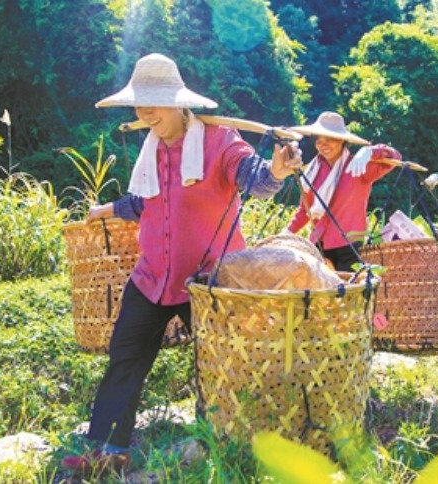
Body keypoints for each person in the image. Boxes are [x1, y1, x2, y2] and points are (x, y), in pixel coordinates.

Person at [60, 53, 301, 473]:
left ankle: (237, 441)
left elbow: (253, 178)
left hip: (208, 281)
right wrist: (107, 210)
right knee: (125, 356)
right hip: (152, 276)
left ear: (179, 102)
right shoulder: (150, 148)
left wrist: (277, 171)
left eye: (154, 102)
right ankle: (107, 450)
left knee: (224, 365)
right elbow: (146, 202)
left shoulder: (221, 141)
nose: (145, 112)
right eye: (140, 103)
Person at [283, 111, 401, 271]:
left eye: (330, 140)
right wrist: (287, 232)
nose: (323, 145)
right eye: (319, 140)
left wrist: (371, 151)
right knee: (320, 294)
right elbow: (305, 210)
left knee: (349, 292)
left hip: (350, 245)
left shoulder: (358, 166)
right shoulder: (313, 172)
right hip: (319, 244)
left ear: (342, 141)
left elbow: (396, 157)